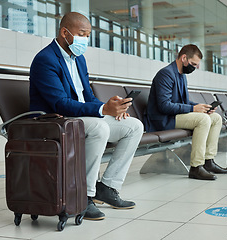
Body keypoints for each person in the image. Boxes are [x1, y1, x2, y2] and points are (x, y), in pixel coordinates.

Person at [29, 12, 144, 220]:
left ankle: (107, 187)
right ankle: (84, 195)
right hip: (56, 121)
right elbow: (60, 104)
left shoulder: (79, 59)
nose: (86, 40)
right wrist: (102, 111)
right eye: (82, 34)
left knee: (134, 126)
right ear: (65, 32)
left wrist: (111, 107)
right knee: (99, 127)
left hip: (79, 118)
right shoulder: (45, 60)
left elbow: (88, 96)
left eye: (88, 35)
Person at [144, 44, 227, 181]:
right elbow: (164, 106)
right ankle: (196, 167)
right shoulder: (166, 74)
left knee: (215, 118)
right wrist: (193, 109)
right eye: (193, 64)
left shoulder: (181, 75)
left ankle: (208, 161)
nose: (194, 68)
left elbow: (184, 101)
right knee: (203, 120)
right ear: (183, 58)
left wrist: (200, 106)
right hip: (163, 119)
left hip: (175, 116)